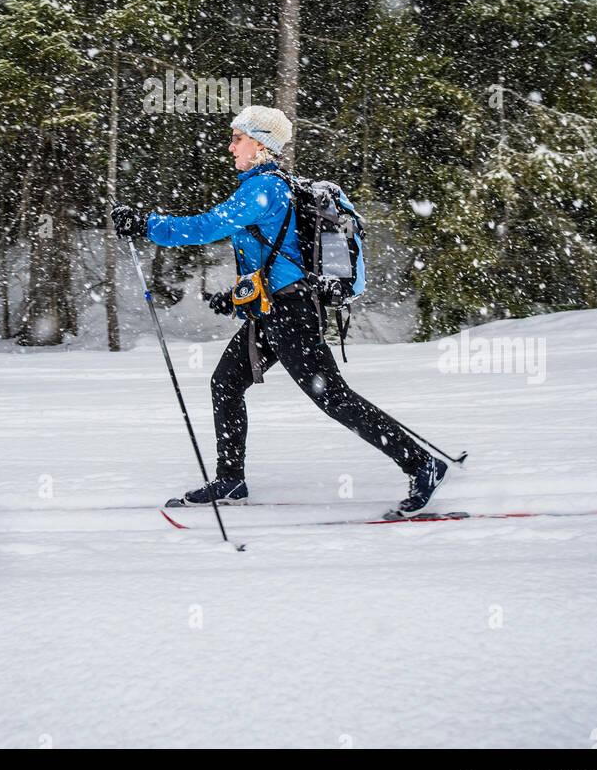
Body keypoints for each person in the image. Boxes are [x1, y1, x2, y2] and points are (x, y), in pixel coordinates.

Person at [112, 105, 448, 518]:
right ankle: (231, 480)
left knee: (334, 398)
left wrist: (146, 224)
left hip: (292, 314)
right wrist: (236, 296)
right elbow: (271, 263)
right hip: (272, 312)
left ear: (260, 144)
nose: (231, 145)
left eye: (238, 138)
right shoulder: (266, 186)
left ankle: (422, 465)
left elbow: (205, 227)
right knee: (226, 383)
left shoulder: (265, 188)